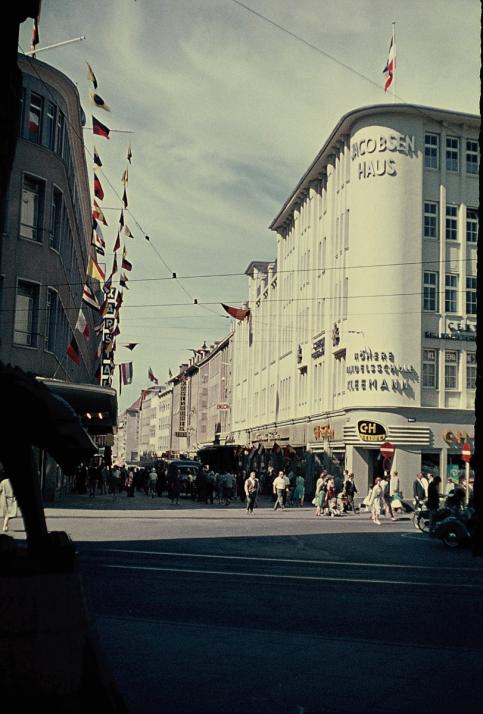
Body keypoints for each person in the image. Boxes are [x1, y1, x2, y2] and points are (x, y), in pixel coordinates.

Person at [0, 464, 18, 533]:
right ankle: (5, 526)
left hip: (4, 499)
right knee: (9, 514)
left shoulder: (3, 482)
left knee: (9, 514)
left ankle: (6, 526)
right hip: (12, 500)